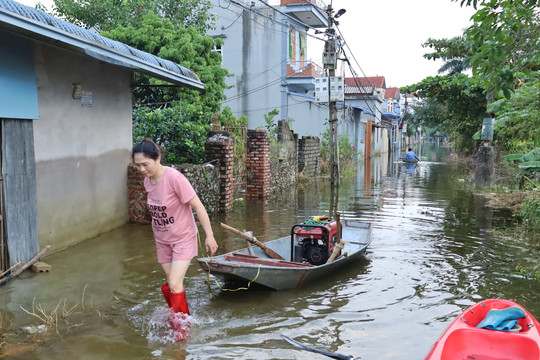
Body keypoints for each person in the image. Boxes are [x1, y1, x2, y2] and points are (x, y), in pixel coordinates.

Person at [132, 138, 218, 336]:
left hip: (183, 238)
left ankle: (180, 332)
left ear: (158, 158)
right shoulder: (147, 181)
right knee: (172, 284)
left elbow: (198, 206)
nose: (142, 169)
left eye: (146, 164)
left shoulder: (174, 178)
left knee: (174, 283)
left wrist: (209, 235)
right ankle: (182, 318)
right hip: (162, 240)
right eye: (138, 165)